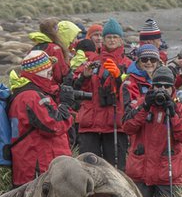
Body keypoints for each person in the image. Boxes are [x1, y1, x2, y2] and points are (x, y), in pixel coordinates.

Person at [123, 66, 182, 197]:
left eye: (166, 86)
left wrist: (173, 114)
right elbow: (127, 127)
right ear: (151, 86)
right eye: (158, 85)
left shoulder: (180, 108)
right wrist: (145, 107)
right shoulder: (140, 105)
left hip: (168, 174)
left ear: (173, 88)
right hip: (140, 172)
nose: (162, 89)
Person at [7, 50, 75, 187]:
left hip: (35, 167)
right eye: (49, 72)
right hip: (39, 170)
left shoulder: (26, 93)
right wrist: (65, 105)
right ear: (39, 72)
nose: (51, 76)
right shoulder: (31, 97)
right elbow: (54, 125)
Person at [73, 18, 132, 170]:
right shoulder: (91, 61)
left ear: (120, 40)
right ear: (103, 40)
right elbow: (75, 88)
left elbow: (131, 92)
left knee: (115, 170)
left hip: (115, 124)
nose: (111, 40)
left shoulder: (128, 64)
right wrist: (84, 76)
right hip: (90, 124)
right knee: (87, 170)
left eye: (115, 37)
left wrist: (119, 77)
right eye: (108, 37)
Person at [28, 18, 80, 86]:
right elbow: (60, 74)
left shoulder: (36, 47)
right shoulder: (55, 48)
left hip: (35, 85)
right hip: (50, 87)